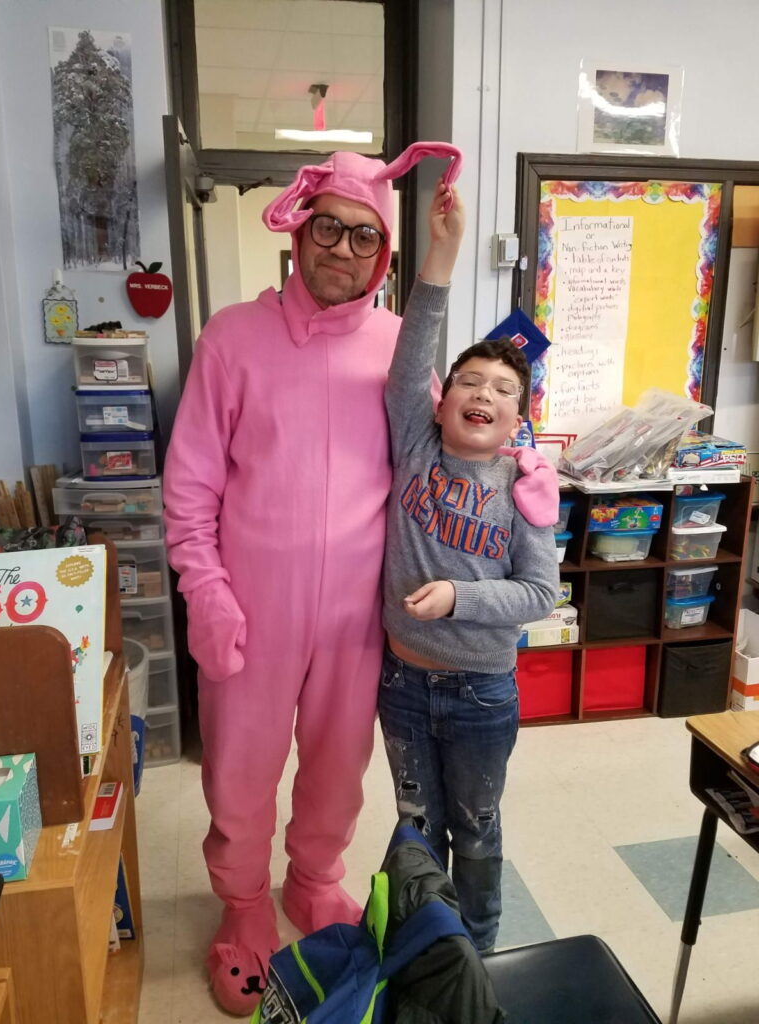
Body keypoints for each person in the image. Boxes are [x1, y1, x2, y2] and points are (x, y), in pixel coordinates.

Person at [162, 142, 463, 1015]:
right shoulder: (232, 338)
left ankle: (313, 879)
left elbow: (438, 457)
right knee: (241, 769)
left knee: (339, 765)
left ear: (386, 254)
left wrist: (509, 473)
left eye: (365, 236)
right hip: (251, 611)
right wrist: (205, 591)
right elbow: (189, 485)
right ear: (299, 231)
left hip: (356, 616)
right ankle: (243, 903)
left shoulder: (398, 347)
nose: (342, 249)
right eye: (329, 227)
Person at [378, 180, 560, 954]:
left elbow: (540, 594)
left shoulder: (524, 489)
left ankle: (477, 956)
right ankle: (426, 948)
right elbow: (409, 356)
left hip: (482, 693)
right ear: (442, 397)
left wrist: (459, 596)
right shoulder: (415, 443)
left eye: (503, 390)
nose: (483, 392)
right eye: (470, 381)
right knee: (417, 828)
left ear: (518, 419)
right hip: (401, 681)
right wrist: (442, 255)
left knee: (477, 831)